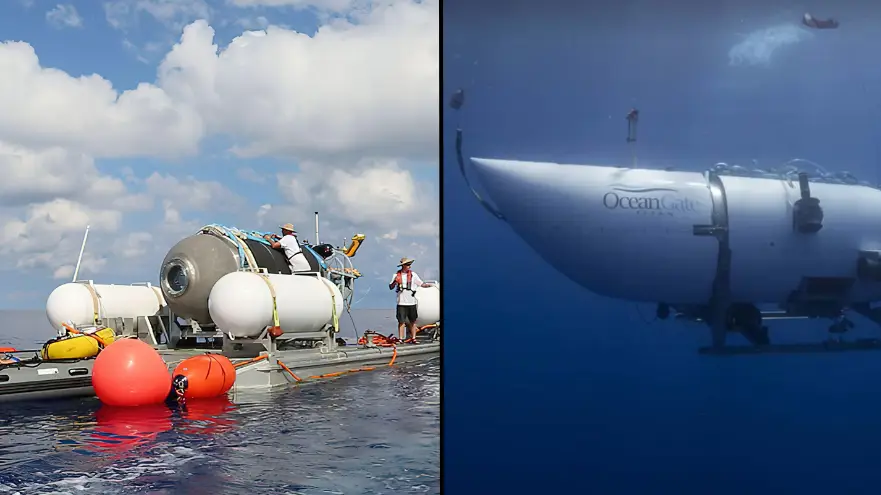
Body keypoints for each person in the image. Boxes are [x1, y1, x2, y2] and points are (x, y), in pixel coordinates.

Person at [389, 257, 432, 341]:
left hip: (411, 302)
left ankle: (413, 338)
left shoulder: (413, 275)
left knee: (413, 321)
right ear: (403, 265)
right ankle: (401, 338)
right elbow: (391, 287)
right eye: (408, 264)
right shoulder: (396, 275)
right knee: (401, 321)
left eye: (410, 264)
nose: (409, 266)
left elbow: (421, 284)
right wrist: (395, 281)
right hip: (401, 302)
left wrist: (429, 285)